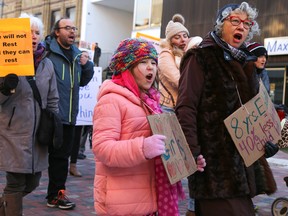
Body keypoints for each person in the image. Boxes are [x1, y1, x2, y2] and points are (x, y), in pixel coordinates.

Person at [176, 2, 279, 216]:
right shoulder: (200, 58)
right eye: (235, 21)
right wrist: (193, 152)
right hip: (214, 167)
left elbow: (252, 112)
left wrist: (266, 142)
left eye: (247, 23)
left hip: (242, 168)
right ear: (221, 24)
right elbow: (186, 107)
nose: (241, 26)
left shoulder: (246, 63)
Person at [92, 38, 206, 215]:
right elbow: (102, 148)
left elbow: (163, 150)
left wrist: (186, 161)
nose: (151, 67)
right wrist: (142, 147)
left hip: (150, 201)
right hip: (123, 203)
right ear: (126, 67)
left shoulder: (152, 101)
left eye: (153, 62)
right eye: (143, 62)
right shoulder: (111, 99)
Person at [0, 13, 59, 215]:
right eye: (28, 32)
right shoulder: (6, 63)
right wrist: (5, 88)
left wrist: (54, 122)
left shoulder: (47, 64)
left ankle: (5, 206)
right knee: (15, 184)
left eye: (37, 32)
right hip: (13, 133)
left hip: (38, 135)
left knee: (33, 182)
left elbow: (53, 98)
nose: (33, 36)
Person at [44, 18, 94, 210]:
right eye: (67, 28)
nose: (72, 31)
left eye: (74, 28)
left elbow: (82, 82)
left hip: (68, 116)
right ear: (57, 32)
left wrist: (86, 64)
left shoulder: (76, 55)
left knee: (61, 159)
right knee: (38, 158)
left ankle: (56, 195)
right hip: (48, 115)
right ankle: (16, 192)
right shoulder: (46, 51)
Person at [158, 14, 202, 216]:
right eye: (178, 37)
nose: (183, 39)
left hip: (186, 110)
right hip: (168, 111)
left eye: (185, 35)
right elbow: (179, 81)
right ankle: (166, 206)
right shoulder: (165, 55)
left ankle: (192, 208)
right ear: (170, 39)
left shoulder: (189, 55)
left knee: (194, 159)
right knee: (172, 164)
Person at [69, 50, 94, 177]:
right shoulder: (72, 65)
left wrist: (87, 65)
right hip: (68, 108)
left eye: (87, 56)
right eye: (83, 55)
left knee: (77, 136)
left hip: (79, 111)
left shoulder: (87, 67)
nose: (84, 57)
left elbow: (85, 80)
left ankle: (73, 164)